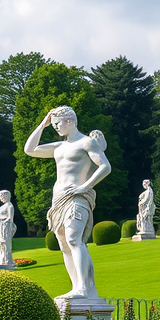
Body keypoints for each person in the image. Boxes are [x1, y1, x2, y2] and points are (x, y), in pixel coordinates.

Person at [24, 106, 112, 301]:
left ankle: (83, 288)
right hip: (58, 201)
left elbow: (105, 167)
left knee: (74, 240)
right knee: (65, 245)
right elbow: (29, 149)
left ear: (70, 121)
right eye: (53, 124)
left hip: (77, 198)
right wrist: (43, 123)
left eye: (58, 124)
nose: (55, 127)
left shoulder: (86, 143)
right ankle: (78, 288)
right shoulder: (59, 147)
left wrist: (85, 187)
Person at [0, 190, 16, 267]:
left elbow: (10, 218)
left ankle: (6, 260)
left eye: (3, 196)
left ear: (8, 196)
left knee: (5, 244)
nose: (1, 198)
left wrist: (3, 221)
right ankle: (1, 259)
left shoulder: (9, 206)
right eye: (1, 196)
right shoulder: (3, 206)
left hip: (4, 228)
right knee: (0, 244)